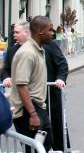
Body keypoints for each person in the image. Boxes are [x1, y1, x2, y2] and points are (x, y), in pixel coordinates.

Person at [10, 16, 54, 152]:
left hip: (38, 108)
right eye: (50, 30)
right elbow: (21, 85)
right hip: (28, 112)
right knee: (34, 149)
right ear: (40, 31)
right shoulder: (28, 53)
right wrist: (33, 115)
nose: (53, 33)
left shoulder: (38, 49)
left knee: (45, 146)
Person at [43, 39, 70, 151]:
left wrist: (60, 78)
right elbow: (7, 68)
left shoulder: (49, 45)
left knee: (58, 129)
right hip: (31, 102)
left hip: (52, 96)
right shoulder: (16, 49)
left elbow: (62, 64)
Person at [0, 22, 31, 88]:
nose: (14, 35)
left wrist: (59, 78)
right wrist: (6, 78)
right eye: (14, 32)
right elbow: (5, 69)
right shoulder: (11, 50)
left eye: (17, 32)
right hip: (17, 92)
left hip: (39, 93)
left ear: (27, 32)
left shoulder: (41, 47)